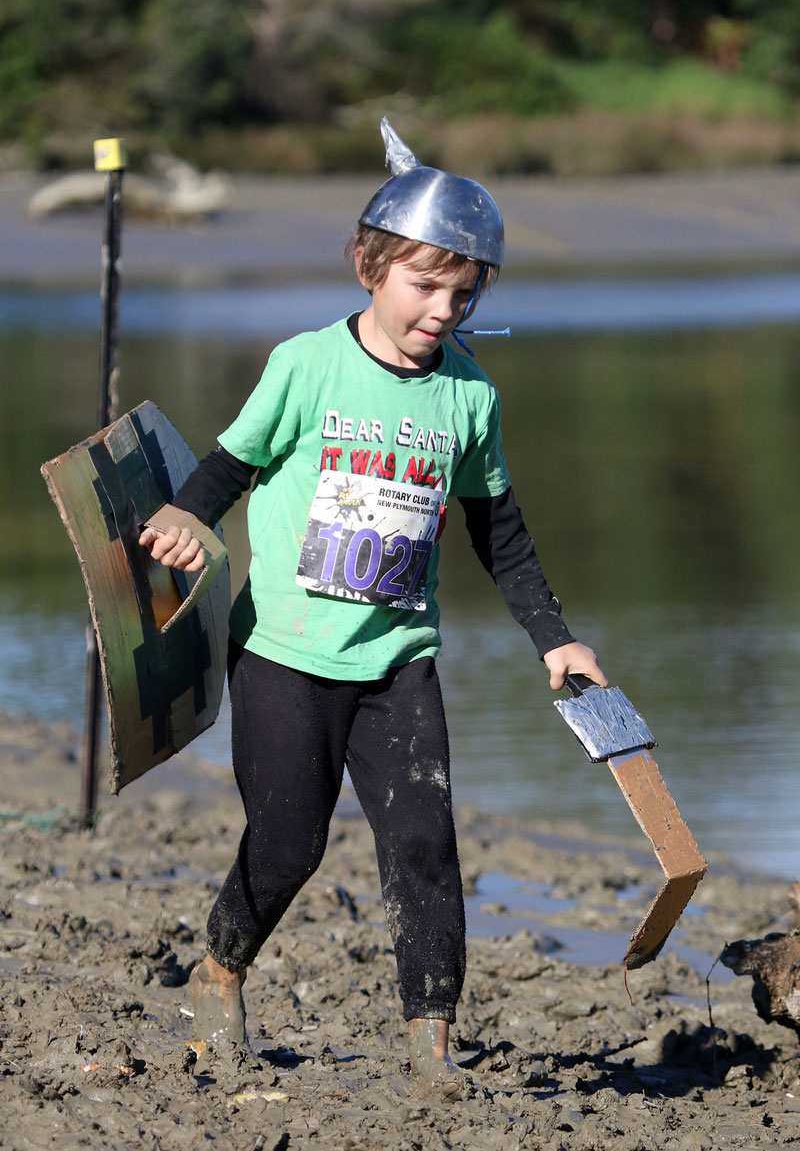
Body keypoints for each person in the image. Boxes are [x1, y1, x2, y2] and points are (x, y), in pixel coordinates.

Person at [139, 118, 607, 1095]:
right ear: (367, 265)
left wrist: (555, 639)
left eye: (462, 290)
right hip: (283, 651)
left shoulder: (467, 400)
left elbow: (499, 532)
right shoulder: (307, 365)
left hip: (398, 658)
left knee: (423, 848)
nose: (441, 307)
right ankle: (220, 968)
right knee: (288, 843)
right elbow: (230, 463)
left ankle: (428, 1052)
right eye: (421, 284)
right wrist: (188, 515)